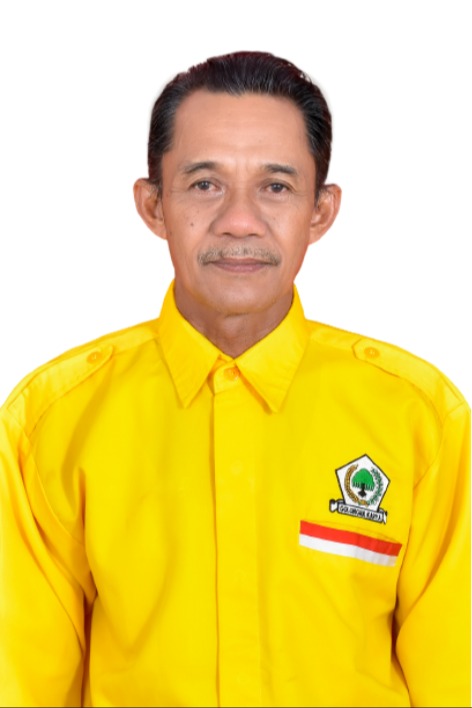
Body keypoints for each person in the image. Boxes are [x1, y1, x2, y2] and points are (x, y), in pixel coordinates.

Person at [0, 50, 469, 708]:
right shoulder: (51, 423)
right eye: (204, 184)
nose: (239, 221)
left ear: (320, 210)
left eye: (276, 186)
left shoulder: (419, 419)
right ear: (153, 205)